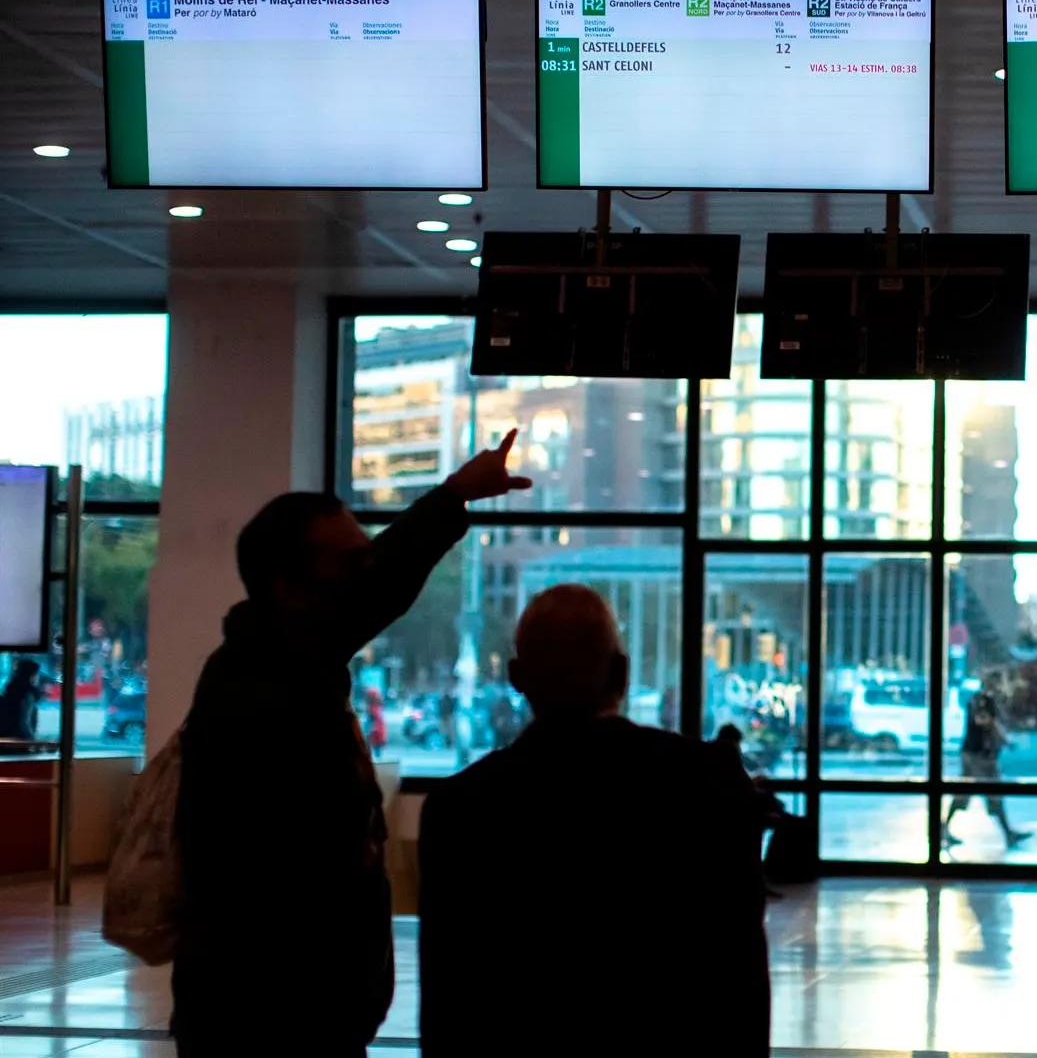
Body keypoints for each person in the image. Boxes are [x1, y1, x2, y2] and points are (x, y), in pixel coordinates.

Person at [171, 431, 530, 1057]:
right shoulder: (263, 700)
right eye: (349, 561)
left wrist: (454, 496)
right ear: (289, 586)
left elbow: (380, 580)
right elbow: (280, 886)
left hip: (292, 1005)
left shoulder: (283, 654)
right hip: (273, 1014)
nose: (368, 571)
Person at [417, 585, 768, 1055]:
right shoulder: (709, 785)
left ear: (518, 677)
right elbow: (739, 978)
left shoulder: (461, 809)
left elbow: (450, 1003)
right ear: (621, 674)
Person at [943, 688, 1031, 849]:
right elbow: (984, 721)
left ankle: (943, 830)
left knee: (966, 793)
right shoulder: (981, 701)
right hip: (979, 756)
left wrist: (1003, 739)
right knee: (992, 792)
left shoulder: (981, 700)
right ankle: (1008, 833)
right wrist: (1002, 738)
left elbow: (988, 723)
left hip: (975, 754)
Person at [1, 660, 39, 739]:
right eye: (36, 674)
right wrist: (32, 741)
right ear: (31, 675)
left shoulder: (10, 690)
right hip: (19, 740)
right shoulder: (27, 695)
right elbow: (25, 722)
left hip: (6, 738)